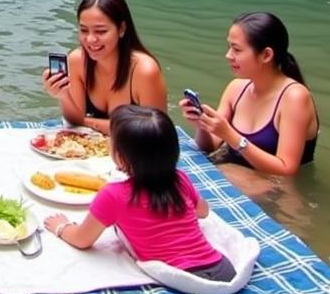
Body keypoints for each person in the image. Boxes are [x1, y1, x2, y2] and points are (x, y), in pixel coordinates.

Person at [43, 106, 236, 284]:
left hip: (182, 276)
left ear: (121, 156)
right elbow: (203, 211)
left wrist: (61, 227)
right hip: (222, 268)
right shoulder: (179, 178)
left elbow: (82, 240)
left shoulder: (113, 194)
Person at [180, 12, 319, 177]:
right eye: (229, 47)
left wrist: (230, 136)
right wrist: (202, 124)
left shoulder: (294, 97)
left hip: (277, 187)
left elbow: (286, 169)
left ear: (266, 55)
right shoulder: (236, 88)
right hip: (238, 175)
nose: (228, 55)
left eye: (236, 49)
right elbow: (210, 146)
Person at [42, 0, 167, 135]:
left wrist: (89, 122)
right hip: (93, 151)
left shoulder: (144, 70)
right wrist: (63, 95)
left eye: (100, 31)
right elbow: (75, 122)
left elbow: (155, 134)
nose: (90, 39)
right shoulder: (77, 60)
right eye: (83, 30)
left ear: (121, 29)